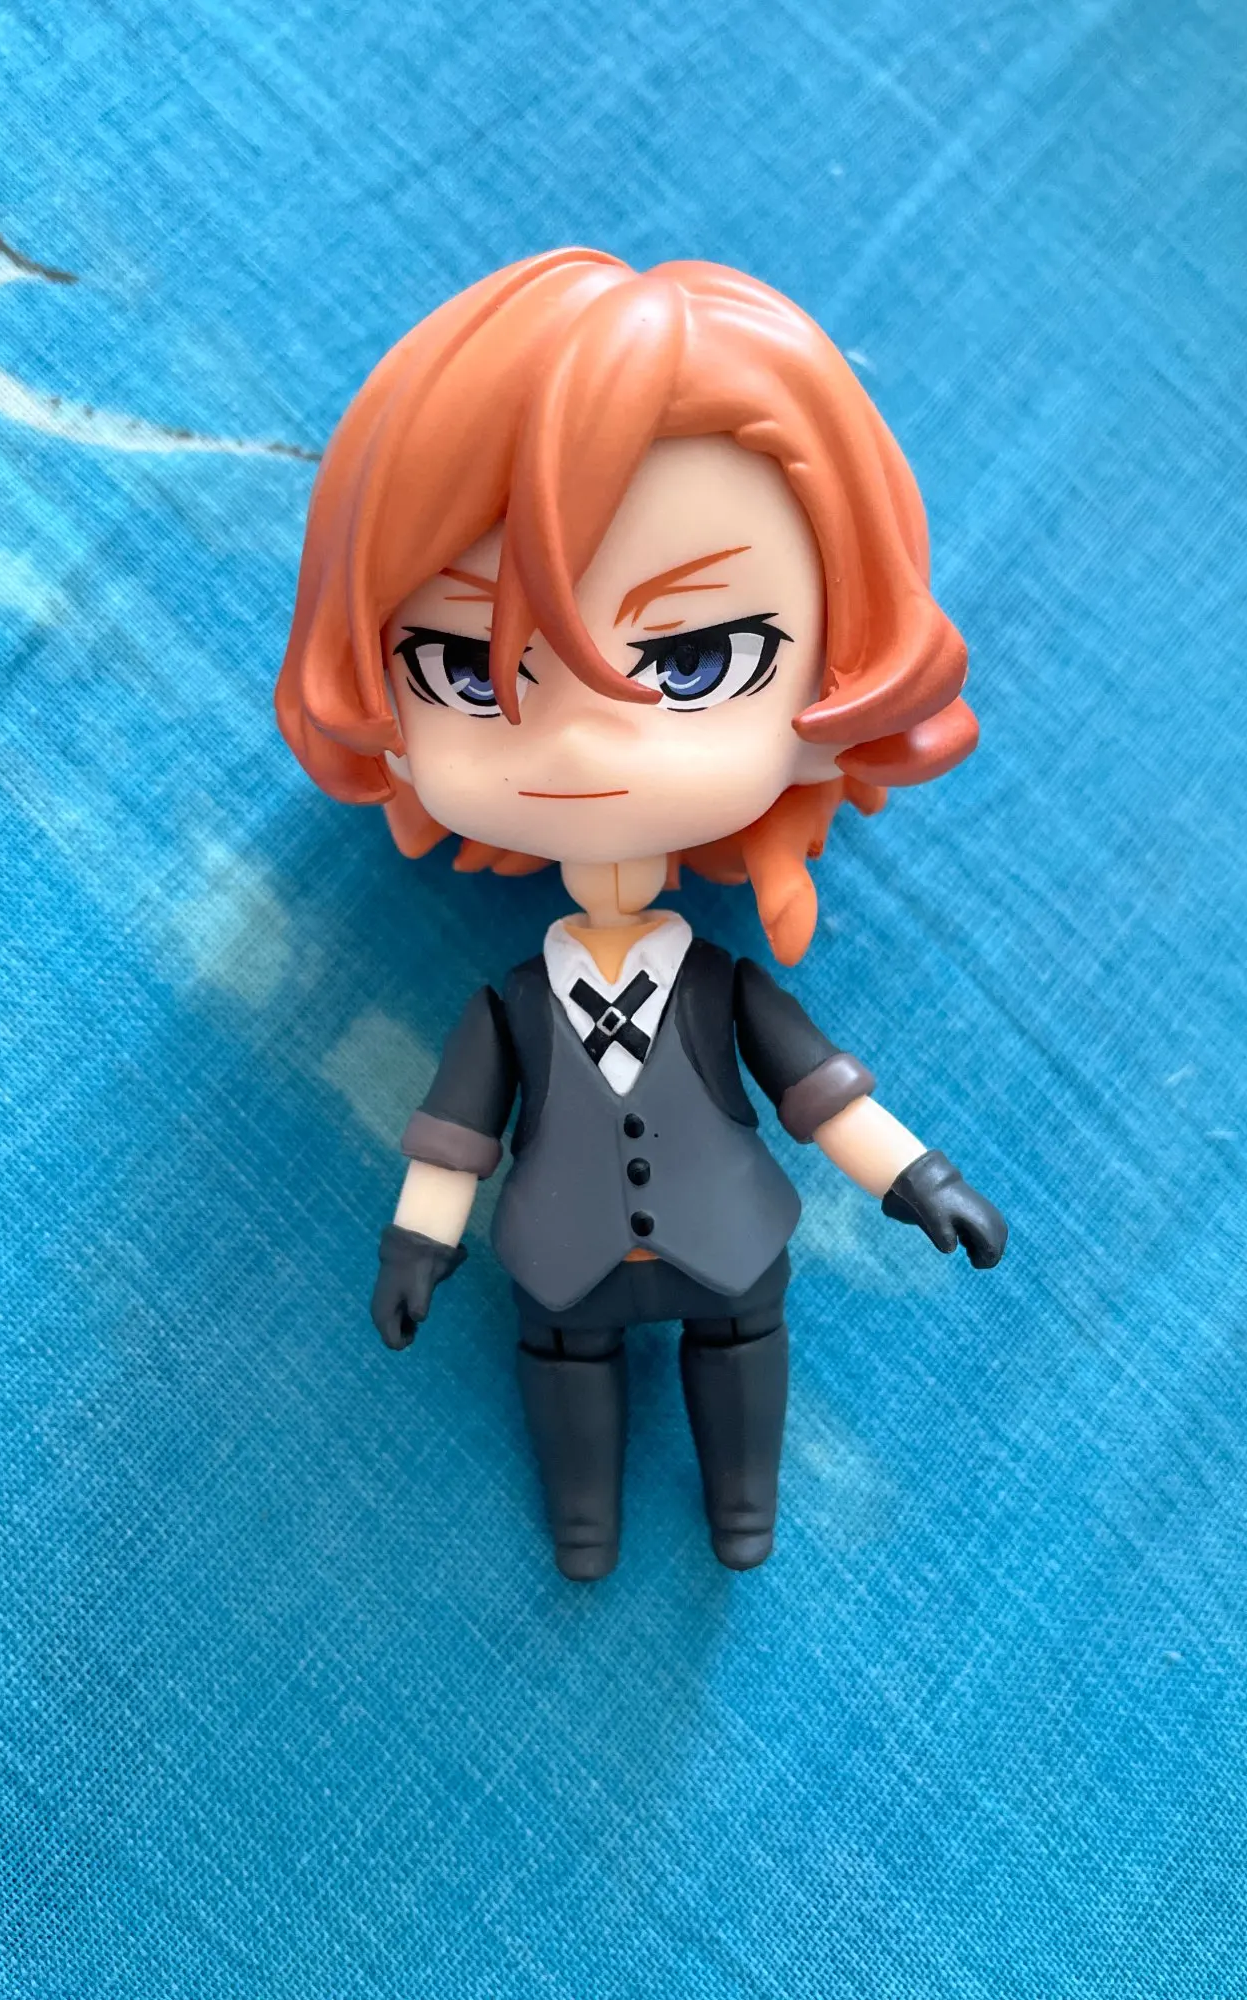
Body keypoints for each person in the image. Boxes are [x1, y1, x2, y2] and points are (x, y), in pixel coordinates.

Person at [275, 251, 1007, 1580]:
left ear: (841, 677)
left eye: (694, 660)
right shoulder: (508, 1008)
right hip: (560, 1262)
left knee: (742, 1353)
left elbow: (825, 1099)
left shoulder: (727, 992)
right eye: (469, 673)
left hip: (730, 1247)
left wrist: (920, 1180)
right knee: (565, 1369)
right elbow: (454, 1138)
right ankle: (585, 1520)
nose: (577, 743)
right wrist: (416, 1242)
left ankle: (744, 1508)